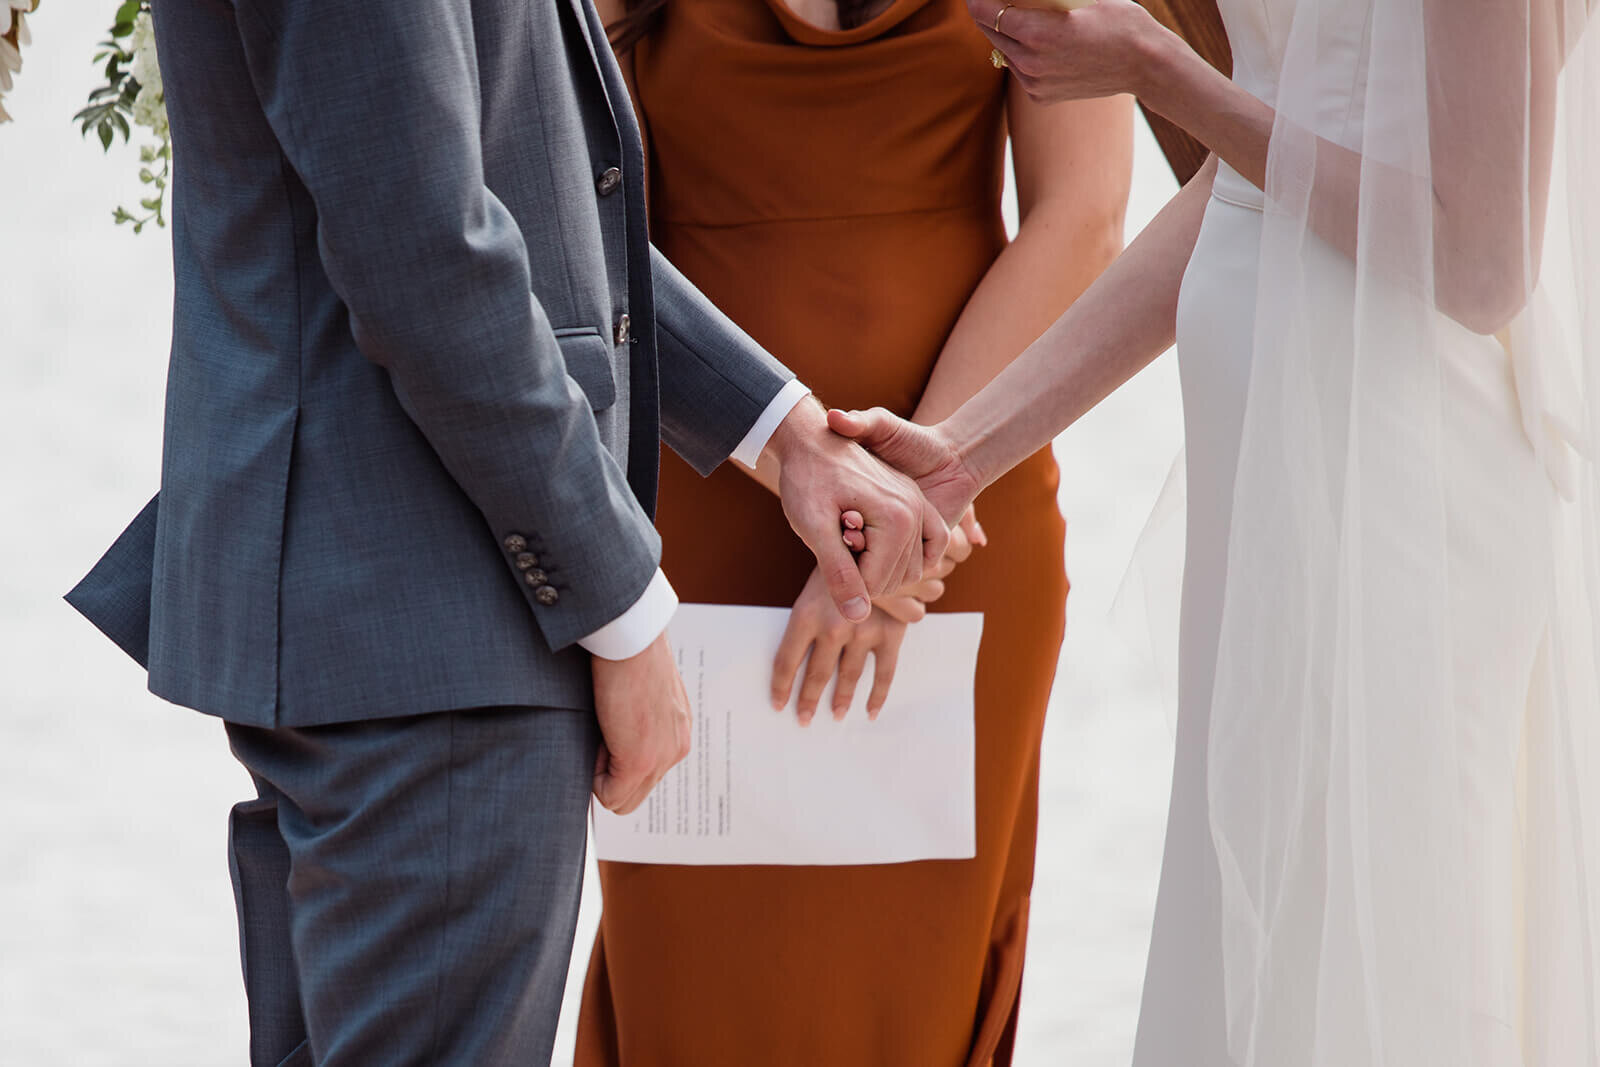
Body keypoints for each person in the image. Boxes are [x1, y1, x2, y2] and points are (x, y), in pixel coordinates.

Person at [63, 1, 946, 1064]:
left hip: (383, 617)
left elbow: (516, 204)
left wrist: (786, 430)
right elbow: (428, 250)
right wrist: (619, 604)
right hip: (436, 615)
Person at [832, 0, 1600, 1063]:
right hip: (1267, 457)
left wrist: (1160, 69)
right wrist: (962, 451)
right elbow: (1250, 181)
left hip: (1402, 462)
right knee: (1259, 911)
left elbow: (1480, 261)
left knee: (1389, 914)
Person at [572, 0, 1131, 1063]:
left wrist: (918, 510)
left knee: (919, 988)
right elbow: (560, 197)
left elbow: (1087, 212)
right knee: (690, 986)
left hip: (964, 524)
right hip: (697, 521)